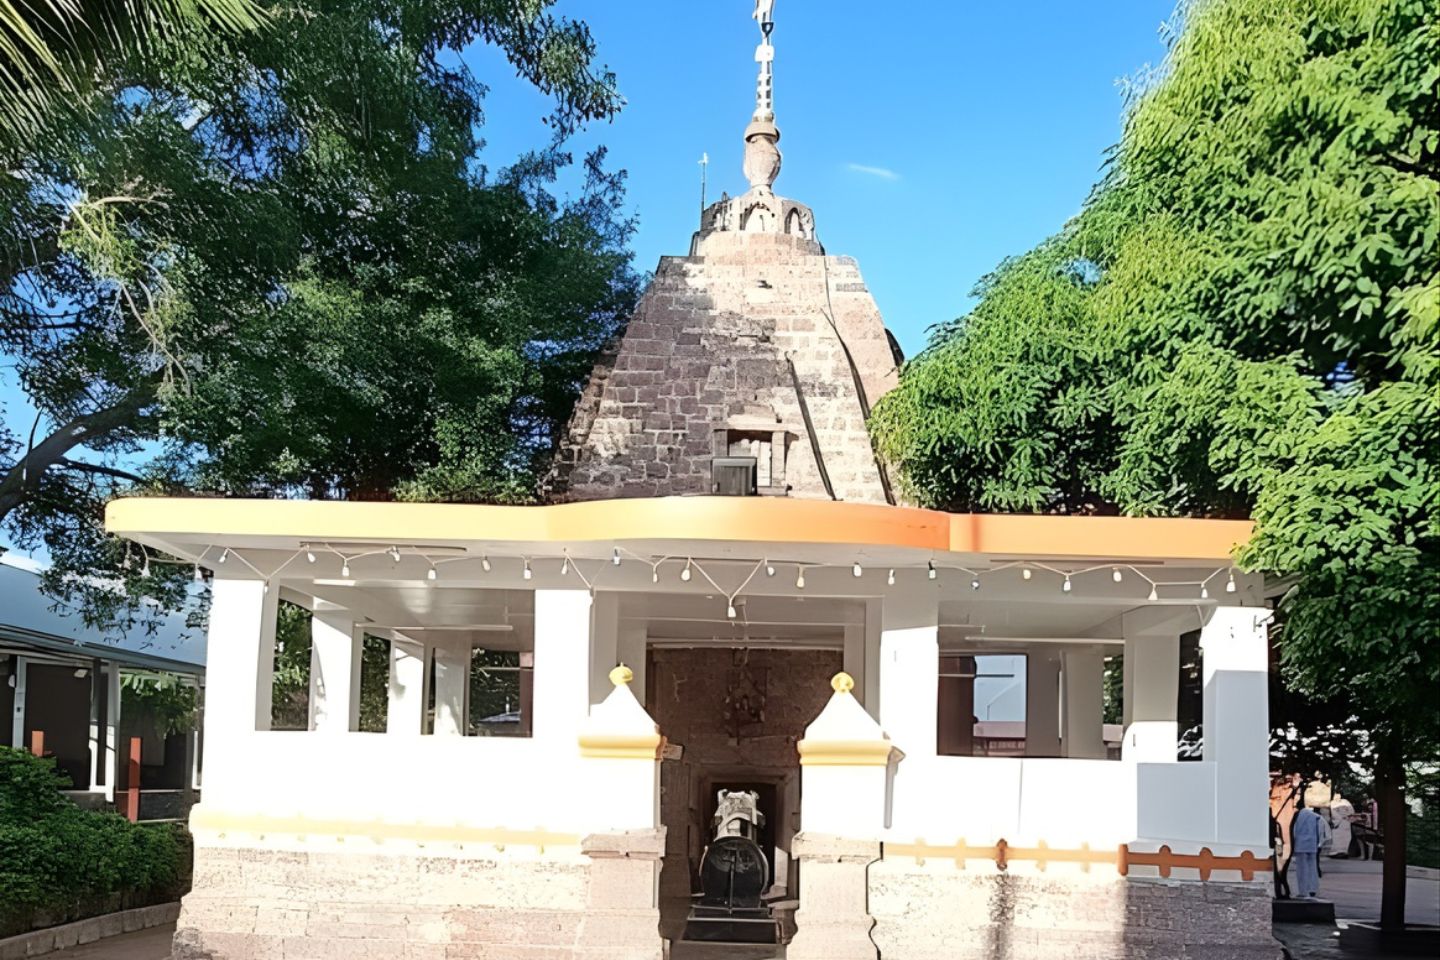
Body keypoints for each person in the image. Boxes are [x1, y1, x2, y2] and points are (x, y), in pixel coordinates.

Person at [1291, 804, 1325, 898]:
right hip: (1312, 843)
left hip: (1300, 844)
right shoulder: (1315, 816)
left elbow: (1293, 830)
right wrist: (1320, 842)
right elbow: (1322, 830)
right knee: (1312, 867)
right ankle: (1312, 888)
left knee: (1301, 868)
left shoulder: (1296, 816)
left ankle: (1303, 890)